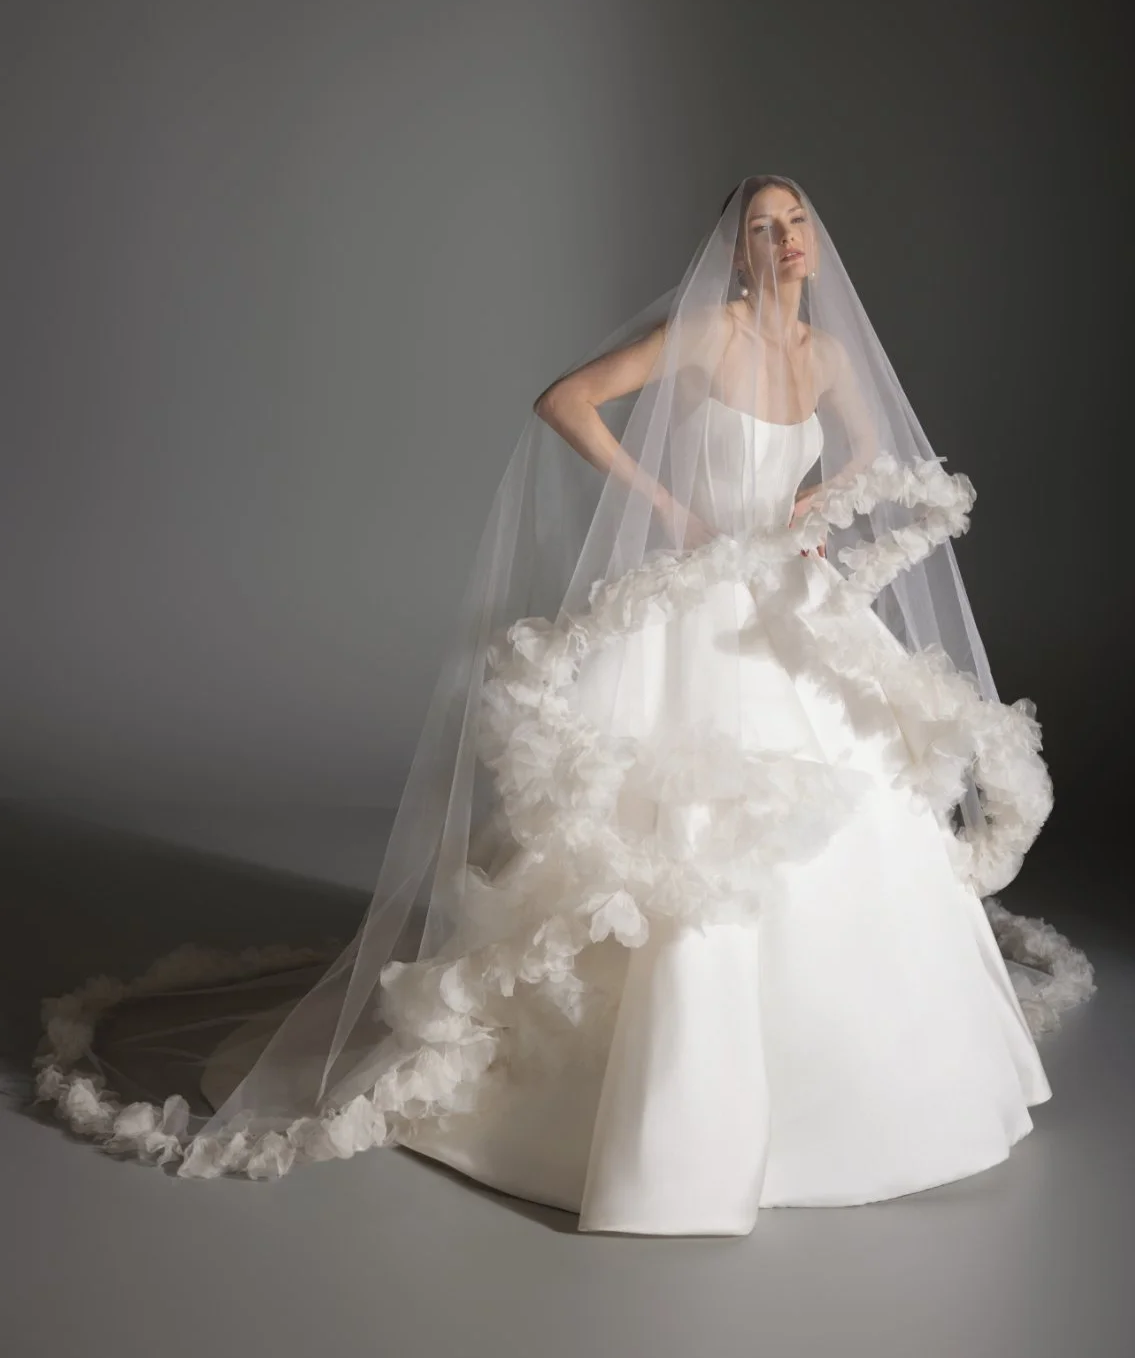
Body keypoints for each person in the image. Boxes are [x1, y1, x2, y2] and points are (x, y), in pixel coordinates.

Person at [35, 175, 1096, 1237]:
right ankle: (652, 1116)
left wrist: (829, 496)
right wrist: (671, 508)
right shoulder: (708, 336)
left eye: (798, 224)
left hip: (794, 592)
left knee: (862, 807)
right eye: (762, 228)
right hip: (699, 607)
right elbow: (566, 399)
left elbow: (872, 450)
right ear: (733, 252)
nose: (784, 242)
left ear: (815, 243)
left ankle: (873, 1086)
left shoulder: (824, 356)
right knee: (679, 833)